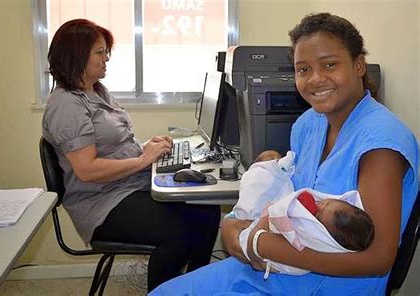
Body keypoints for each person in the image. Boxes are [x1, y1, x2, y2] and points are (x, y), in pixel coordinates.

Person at [150, 12, 418, 295]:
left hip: (326, 284)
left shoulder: (381, 143)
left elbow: (378, 259)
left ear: (359, 65)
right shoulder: (308, 124)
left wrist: (258, 244)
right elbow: (283, 196)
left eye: (329, 64)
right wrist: (233, 228)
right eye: (303, 69)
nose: (315, 79)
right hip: (270, 269)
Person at [42, 19, 221, 292]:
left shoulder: (96, 91)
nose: (106, 59)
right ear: (76, 55)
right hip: (101, 204)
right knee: (180, 231)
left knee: (207, 211)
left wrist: (148, 146)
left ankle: (192, 288)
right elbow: (87, 170)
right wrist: (142, 160)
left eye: (106, 52)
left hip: (127, 187)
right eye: (99, 53)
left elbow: (114, 144)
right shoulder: (67, 104)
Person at [235, 151, 374, 276]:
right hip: (260, 241)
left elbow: (279, 220)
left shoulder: (315, 240)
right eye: (326, 202)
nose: (318, 204)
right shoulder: (305, 128)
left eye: (318, 215)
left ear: (327, 235)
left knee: (257, 183)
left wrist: (264, 223)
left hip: (268, 251)